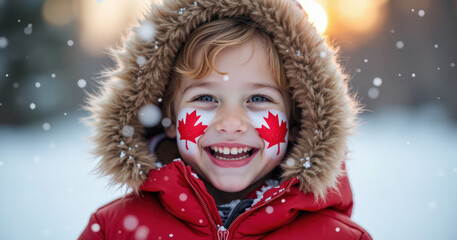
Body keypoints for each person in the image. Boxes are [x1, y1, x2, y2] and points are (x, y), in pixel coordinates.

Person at [79, 0, 372, 239]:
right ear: (169, 120)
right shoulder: (114, 229)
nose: (231, 123)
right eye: (206, 98)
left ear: (297, 124)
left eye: (258, 99)